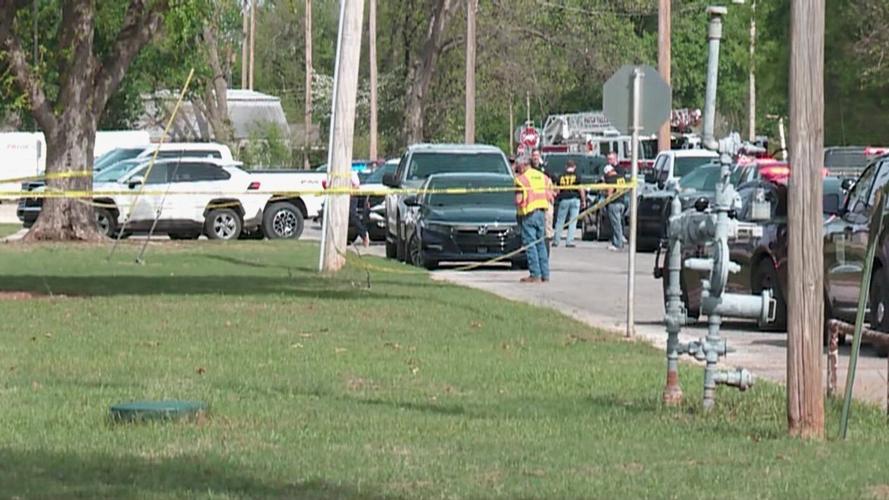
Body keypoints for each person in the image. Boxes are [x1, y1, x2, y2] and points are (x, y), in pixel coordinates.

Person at [514, 157, 550, 283]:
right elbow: (550, 194)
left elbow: (518, 200)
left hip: (529, 214)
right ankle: (545, 274)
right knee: (541, 244)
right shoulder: (542, 176)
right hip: (541, 213)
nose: (517, 169)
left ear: (523, 165)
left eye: (517, 167)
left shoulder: (521, 180)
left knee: (530, 245)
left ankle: (535, 274)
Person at [552, 160, 585, 248]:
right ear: (574, 167)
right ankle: (569, 241)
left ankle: (556, 240)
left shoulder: (561, 176)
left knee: (560, 221)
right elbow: (580, 189)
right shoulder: (577, 176)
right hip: (575, 199)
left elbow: (557, 190)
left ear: (566, 167)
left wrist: (554, 197)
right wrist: (583, 200)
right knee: (573, 221)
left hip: (564, 199)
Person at [530, 149, 555, 254]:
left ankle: (547, 243)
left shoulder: (544, 170)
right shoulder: (529, 169)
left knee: (547, 223)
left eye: (537, 155)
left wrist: (551, 193)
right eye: (534, 155)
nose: (535, 157)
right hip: (532, 202)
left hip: (545, 201)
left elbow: (550, 183)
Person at [603, 152, 626, 252]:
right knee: (618, 223)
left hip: (614, 202)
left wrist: (608, 199)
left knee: (616, 223)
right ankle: (618, 240)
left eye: (611, 159)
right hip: (622, 200)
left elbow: (610, 189)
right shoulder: (620, 175)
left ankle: (618, 243)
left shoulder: (612, 177)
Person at [349, 170, 370, 247]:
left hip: (351, 197)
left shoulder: (351, 173)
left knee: (353, 216)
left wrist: (351, 191)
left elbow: (356, 186)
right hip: (338, 198)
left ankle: (364, 234)